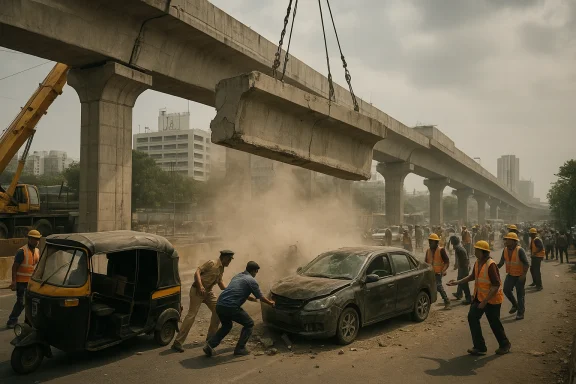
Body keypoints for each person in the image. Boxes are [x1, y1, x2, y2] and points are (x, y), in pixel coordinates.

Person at [448, 241, 511, 356]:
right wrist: (457, 282)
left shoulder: (491, 265)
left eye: (477, 250)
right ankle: (480, 347)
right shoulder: (478, 262)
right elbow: (472, 276)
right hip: (479, 297)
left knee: (494, 323)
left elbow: (496, 285)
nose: (475, 251)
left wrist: (485, 301)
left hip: (491, 300)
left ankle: (505, 344)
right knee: (472, 317)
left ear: (483, 252)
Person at [204, 261, 275, 356]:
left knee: (226, 326)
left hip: (220, 304)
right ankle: (240, 348)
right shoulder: (251, 280)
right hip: (230, 306)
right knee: (249, 324)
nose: (256, 274)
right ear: (254, 271)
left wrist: (249, 298)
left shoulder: (238, 276)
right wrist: (271, 303)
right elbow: (261, 297)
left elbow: (234, 291)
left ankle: (209, 345)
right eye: (256, 272)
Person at [171, 250, 235, 353]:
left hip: (208, 292)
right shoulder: (212, 263)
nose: (229, 262)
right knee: (191, 315)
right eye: (229, 259)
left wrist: (231, 289)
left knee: (218, 310)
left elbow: (220, 283)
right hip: (197, 290)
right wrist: (200, 286)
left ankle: (210, 339)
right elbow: (197, 272)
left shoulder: (221, 269)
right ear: (224, 257)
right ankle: (177, 343)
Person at [7, 230, 41, 328]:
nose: (37, 241)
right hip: (21, 282)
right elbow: (15, 267)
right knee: (21, 302)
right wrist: (14, 282)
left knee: (30, 302)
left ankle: (28, 321)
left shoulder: (38, 251)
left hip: (32, 282)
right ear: (29, 239)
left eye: (38, 239)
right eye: (34, 239)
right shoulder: (22, 251)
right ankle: (12, 320)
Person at [497, 232, 529, 320]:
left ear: (514, 241)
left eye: (508, 239)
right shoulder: (505, 250)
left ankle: (520, 313)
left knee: (520, 294)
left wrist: (524, 275)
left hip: (520, 275)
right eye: (506, 239)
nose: (506, 241)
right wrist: (493, 267)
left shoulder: (520, 250)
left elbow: (526, 263)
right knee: (506, 290)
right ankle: (515, 305)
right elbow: (501, 262)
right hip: (511, 274)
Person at [425, 233, 451, 310]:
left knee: (438, 286)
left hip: (437, 273)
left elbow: (447, 261)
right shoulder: (428, 251)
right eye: (429, 241)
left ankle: (447, 301)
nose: (430, 243)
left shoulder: (441, 250)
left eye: (432, 242)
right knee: (429, 287)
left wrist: (443, 270)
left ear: (436, 242)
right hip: (429, 273)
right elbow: (426, 262)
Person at [450, 235, 471, 305]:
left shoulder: (458, 249)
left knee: (463, 283)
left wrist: (458, 266)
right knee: (459, 279)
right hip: (463, 266)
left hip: (464, 267)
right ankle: (459, 294)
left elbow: (462, 260)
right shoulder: (459, 247)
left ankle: (468, 298)